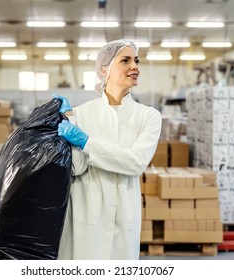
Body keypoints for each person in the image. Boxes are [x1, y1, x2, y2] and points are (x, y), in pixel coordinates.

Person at [54, 39, 162, 260]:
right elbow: (76, 167)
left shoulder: (148, 116)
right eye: (126, 60)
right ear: (105, 69)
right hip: (85, 215)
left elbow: (135, 163)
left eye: (136, 61)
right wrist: (70, 122)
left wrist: (86, 143)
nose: (135, 67)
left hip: (124, 216)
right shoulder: (81, 114)